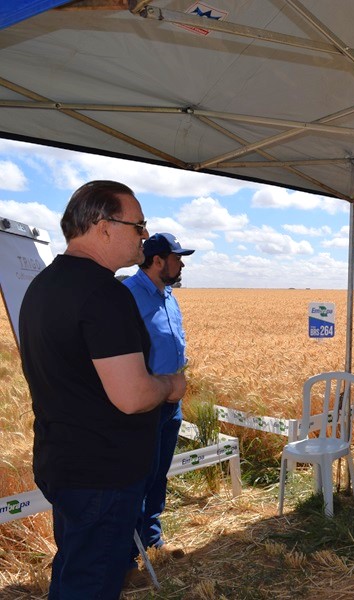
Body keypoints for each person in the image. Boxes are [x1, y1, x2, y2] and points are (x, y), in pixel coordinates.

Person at [18, 181, 187, 599]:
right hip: (103, 476)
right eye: (138, 224)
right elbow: (131, 396)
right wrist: (170, 384)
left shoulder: (43, 287)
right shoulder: (104, 294)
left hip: (65, 464)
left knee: (75, 570)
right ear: (103, 226)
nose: (144, 235)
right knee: (92, 582)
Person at [123, 232, 194, 568]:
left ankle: (152, 539)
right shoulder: (127, 295)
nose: (181, 264)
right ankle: (128, 554)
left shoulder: (168, 295)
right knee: (139, 474)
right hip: (145, 404)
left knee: (159, 473)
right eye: (177, 258)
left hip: (171, 404)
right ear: (157, 261)